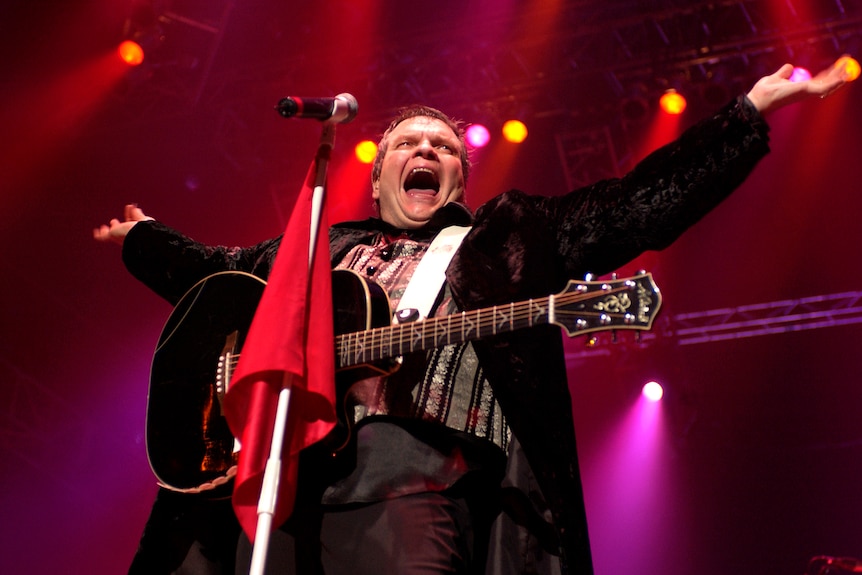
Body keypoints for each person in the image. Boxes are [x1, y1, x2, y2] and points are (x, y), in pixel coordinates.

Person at [95, 61, 850, 575]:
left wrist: (745, 116)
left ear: (461, 173)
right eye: (409, 143)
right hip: (280, 482)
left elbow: (633, 207)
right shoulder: (321, 247)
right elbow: (219, 280)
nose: (426, 150)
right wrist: (143, 242)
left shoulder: (505, 239)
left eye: (444, 147)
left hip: (413, 482)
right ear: (379, 166)